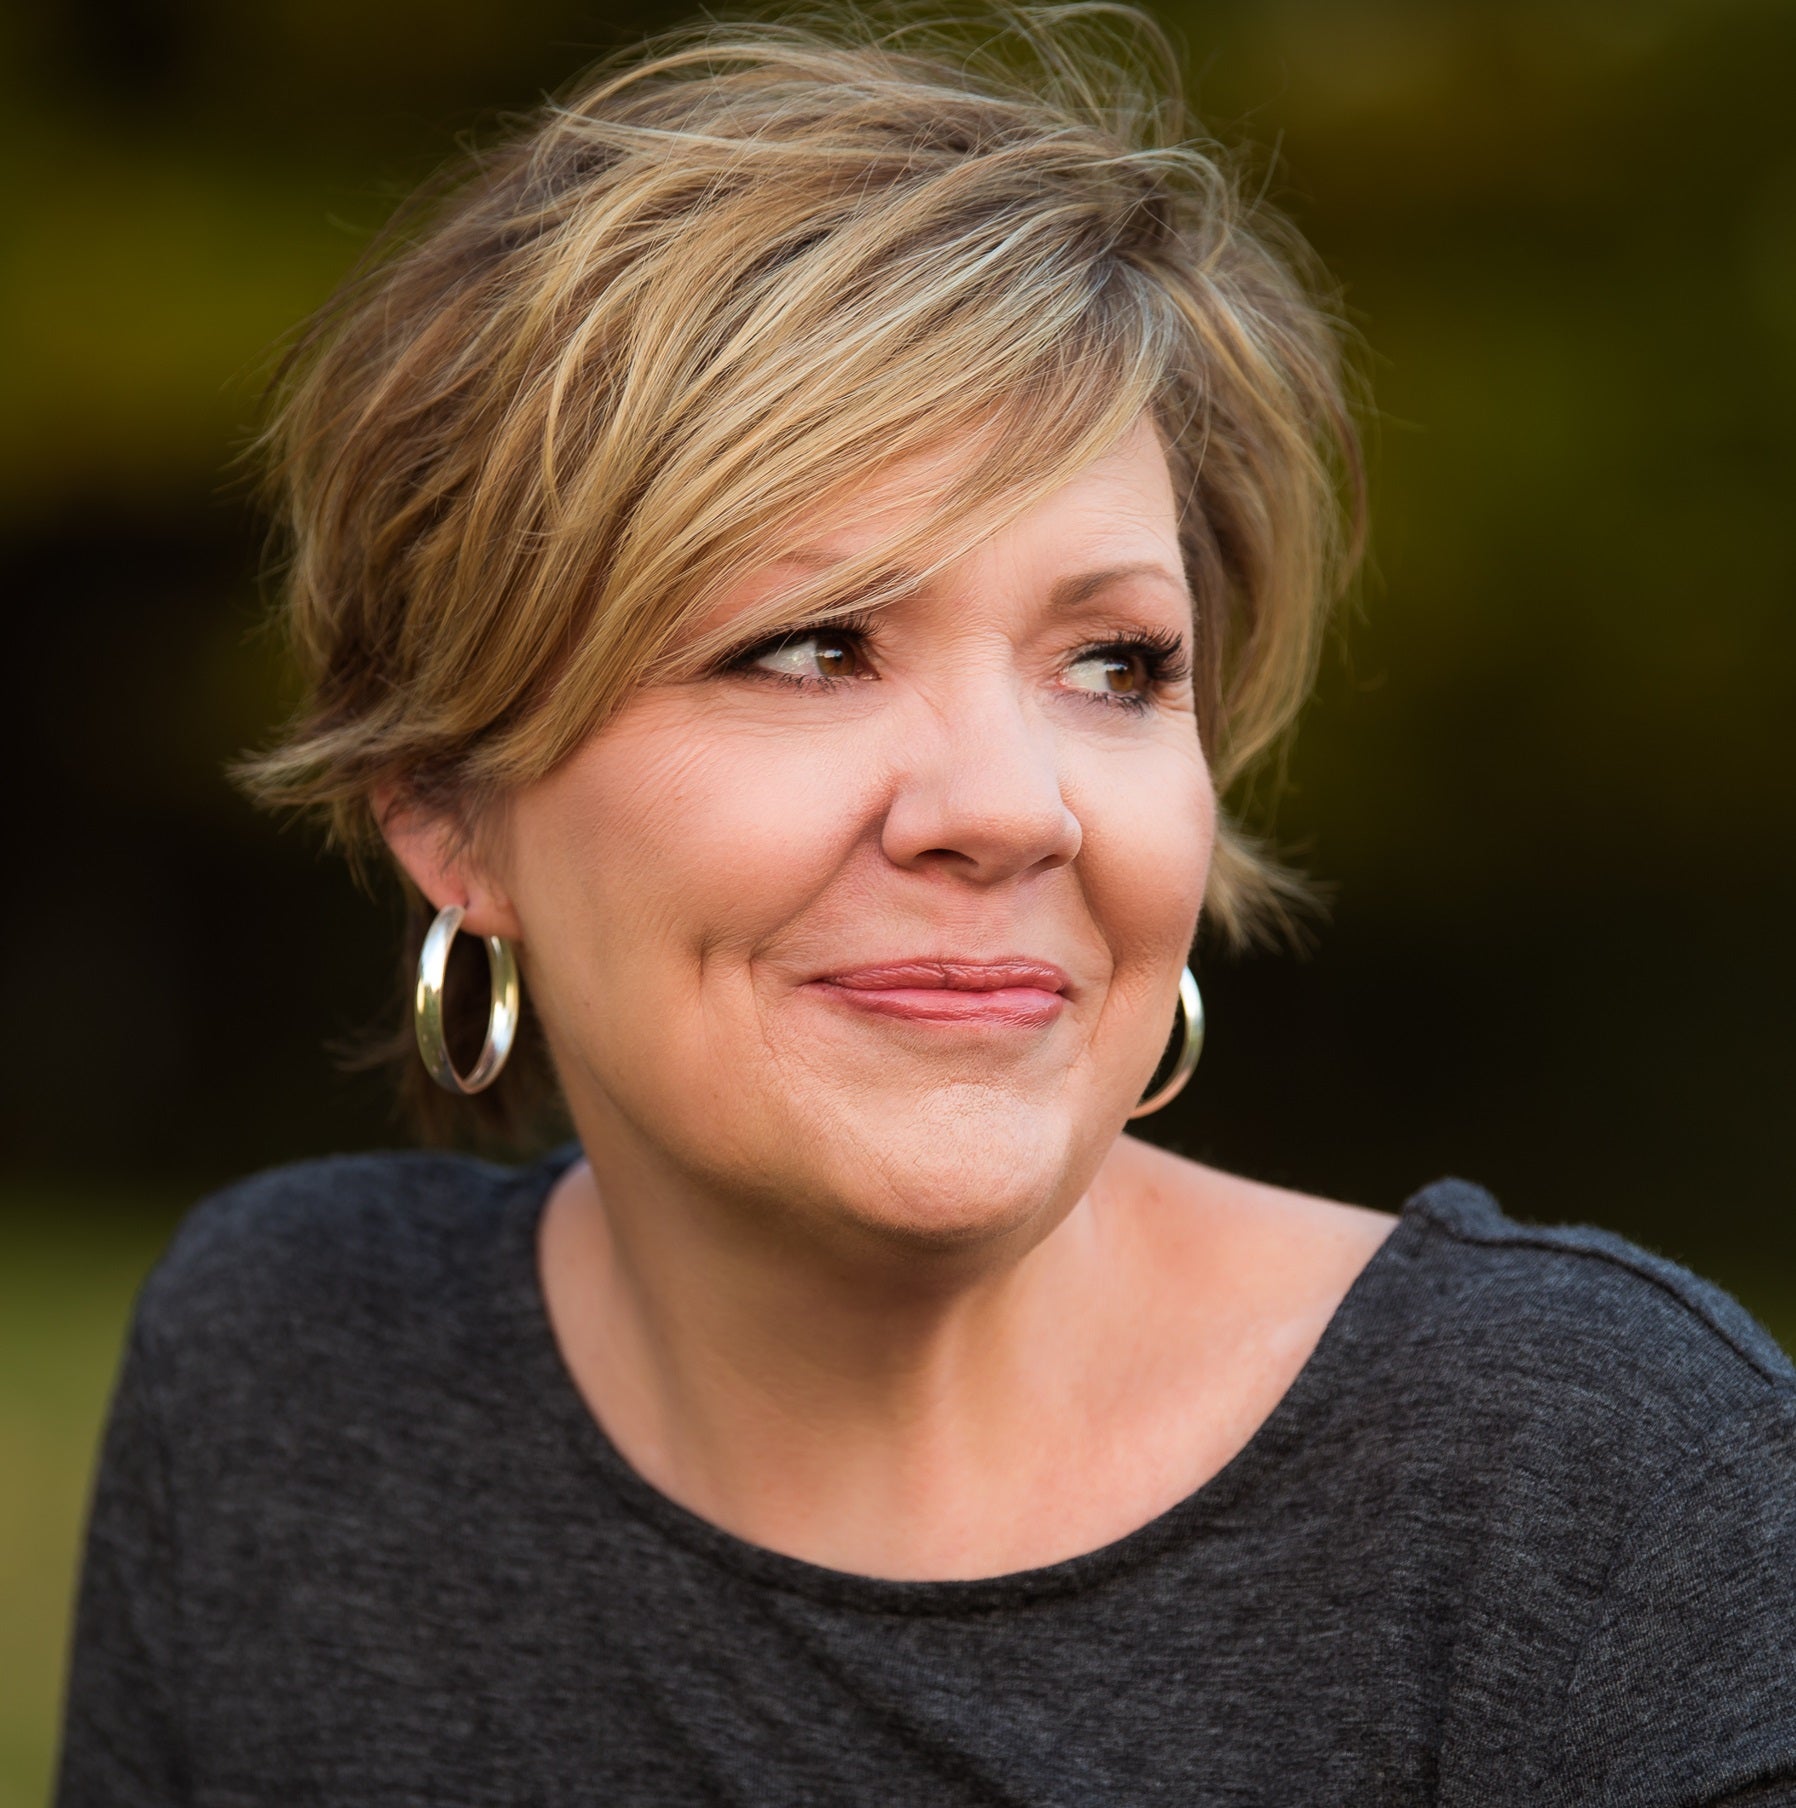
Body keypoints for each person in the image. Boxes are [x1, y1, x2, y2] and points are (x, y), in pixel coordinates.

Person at [55, 7, 1796, 1803]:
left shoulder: (1608, 1499)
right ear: (447, 813)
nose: (1009, 807)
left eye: (1116, 664)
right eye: (811, 647)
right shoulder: (285, 1379)